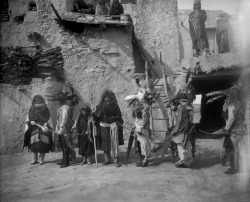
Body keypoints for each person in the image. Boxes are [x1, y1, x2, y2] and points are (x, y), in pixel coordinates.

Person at [206, 82, 245, 174]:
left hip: (233, 131)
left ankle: (234, 167)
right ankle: (234, 165)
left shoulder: (232, 105)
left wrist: (226, 129)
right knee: (234, 148)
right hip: (238, 129)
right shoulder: (238, 103)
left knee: (231, 148)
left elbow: (231, 118)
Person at [46, 81, 80, 168]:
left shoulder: (65, 107)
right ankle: (64, 159)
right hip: (62, 128)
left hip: (65, 128)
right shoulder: (62, 107)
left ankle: (67, 161)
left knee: (66, 144)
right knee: (62, 144)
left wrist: (61, 128)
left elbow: (64, 119)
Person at [125, 80, 156, 167]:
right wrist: (135, 126)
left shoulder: (145, 107)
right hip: (138, 128)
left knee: (144, 144)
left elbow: (145, 120)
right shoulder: (138, 107)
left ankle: (145, 159)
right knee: (139, 144)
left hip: (143, 129)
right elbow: (137, 118)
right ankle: (142, 159)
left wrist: (140, 129)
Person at [93, 89, 124, 167]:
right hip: (104, 128)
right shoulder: (100, 107)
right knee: (105, 144)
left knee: (114, 144)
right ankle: (107, 159)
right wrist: (93, 117)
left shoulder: (116, 107)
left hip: (113, 128)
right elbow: (96, 116)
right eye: (106, 100)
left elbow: (119, 118)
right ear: (103, 100)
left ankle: (116, 160)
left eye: (109, 100)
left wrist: (114, 118)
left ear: (112, 100)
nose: (107, 102)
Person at [23, 95, 53, 165]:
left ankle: (41, 159)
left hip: (43, 131)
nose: (39, 109)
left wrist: (46, 124)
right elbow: (28, 120)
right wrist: (30, 122)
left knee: (43, 145)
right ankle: (34, 159)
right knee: (34, 145)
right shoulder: (31, 109)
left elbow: (49, 119)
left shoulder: (46, 110)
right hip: (34, 130)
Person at [171, 95, 194, 168]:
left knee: (181, 146)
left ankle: (183, 161)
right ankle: (187, 161)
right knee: (187, 145)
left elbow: (179, 120)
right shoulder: (189, 108)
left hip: (181, 130)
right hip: (188, 129)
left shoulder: (181, 109)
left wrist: (175, 130)